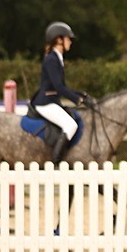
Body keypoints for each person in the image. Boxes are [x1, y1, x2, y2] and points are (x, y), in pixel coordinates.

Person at [31, 22, 91, 164]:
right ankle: (55, 162)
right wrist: (77, 100)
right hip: (45, 103)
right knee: (71, 125)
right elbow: (58, 87)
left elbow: (62, 86)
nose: (70, 42)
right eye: (68, 39)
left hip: (52, 101)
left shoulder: (57, 57)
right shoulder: (52, 59)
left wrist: (81, 95)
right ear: (59, 40)